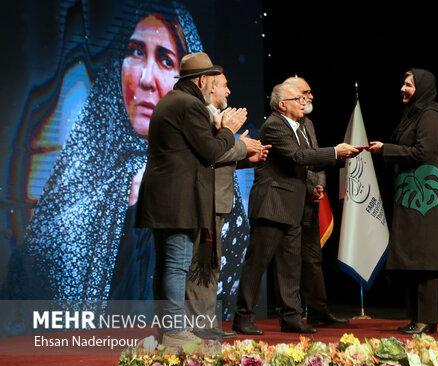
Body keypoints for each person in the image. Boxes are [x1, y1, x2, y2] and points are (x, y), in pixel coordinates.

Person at [6, 3, 204, 302]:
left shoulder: (196, 176)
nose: (147, 79)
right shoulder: (73, 205)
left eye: (165, 60)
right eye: (136, 52)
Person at [135, 52, 247, 346]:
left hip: (164, 197)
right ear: (201, 80)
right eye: (211, 81)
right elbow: (210, 151)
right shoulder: (190, 105)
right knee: (176, 265)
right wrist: (229, 132)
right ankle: (174, 330)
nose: (212, 87)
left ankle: (168, 327)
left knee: (165, 265)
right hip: (178, 199)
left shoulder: (171, 101)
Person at [232, 83, 359, 335]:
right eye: (297, 98)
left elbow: (307, 156)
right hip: (272, 205)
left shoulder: (300, 127)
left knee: (291, 264)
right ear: (282, 105)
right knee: (257, 263)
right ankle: (243, 316)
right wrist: (335, 152)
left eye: (304, 98)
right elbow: (299, 157)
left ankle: (291, 316)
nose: (303, 102)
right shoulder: (275, 125)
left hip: (293, 207)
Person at [185, 71, 269, 340]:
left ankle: (206, 322)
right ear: (210, 88)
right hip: (202, 200)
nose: (228, 91)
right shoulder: (201, 115)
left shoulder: (214, 116)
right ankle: (198, 325)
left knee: (210, 264)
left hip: (217, 200)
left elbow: (219, 158)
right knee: (201, 263)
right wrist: (241, 146)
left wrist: (246, 156)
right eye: (225, 85)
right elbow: (210, 153)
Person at [368, 68, 438, 335]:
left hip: (428, 200)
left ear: (423, 88)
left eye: (409, 85)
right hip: (409, 196)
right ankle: (417, 318)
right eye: (402, 84)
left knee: (425, 256)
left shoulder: (431, 115)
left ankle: (427, 319)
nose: (403, 89)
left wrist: (385, 150)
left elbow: (423, 152)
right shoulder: (413, 114)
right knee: (412, 257)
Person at [283, 76, 349, 326]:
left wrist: (318, 185)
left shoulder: (308, 123)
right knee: (289, 260)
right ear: (288, 96)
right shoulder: (280, 125)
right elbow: (299, 158)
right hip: (289, 201)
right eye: (305, 93)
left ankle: (320, 311)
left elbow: (316, 157)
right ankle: (293, 313)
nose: (310, 98)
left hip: (310, 199)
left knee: (313, 257)